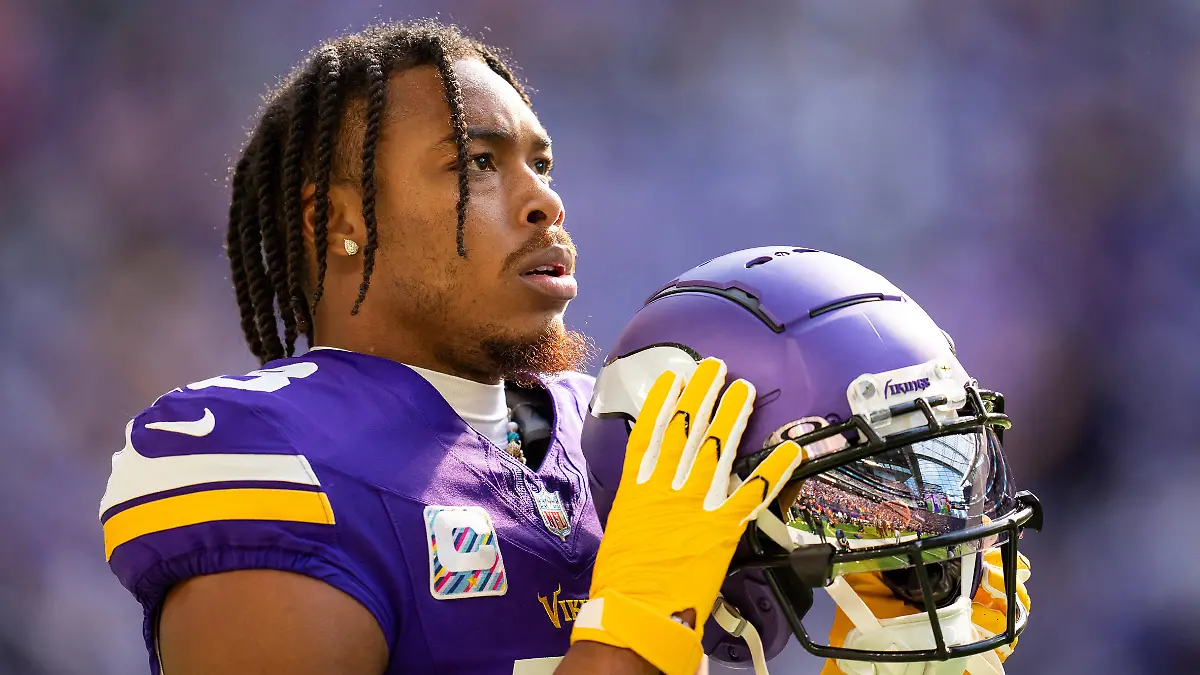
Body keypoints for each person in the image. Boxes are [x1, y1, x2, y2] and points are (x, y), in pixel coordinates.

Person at [98, 20, 1029, 675]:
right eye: (477, 162)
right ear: (339, 220)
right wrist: (626, 637)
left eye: (541, 162)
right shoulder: (265, 452)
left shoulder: (639, 431)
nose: (544, 199)